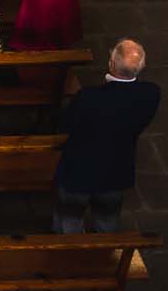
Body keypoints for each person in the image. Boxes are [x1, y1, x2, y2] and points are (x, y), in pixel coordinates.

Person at [54, 39, 159, 233]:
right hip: (116, 169)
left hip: (79, 170)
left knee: (69, 219)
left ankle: (68, 256)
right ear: (141, 67)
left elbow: (66, 124)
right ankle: (103, 256)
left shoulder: (88, 98)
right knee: (107, 220)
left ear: (111, 64)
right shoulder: (151, 94)